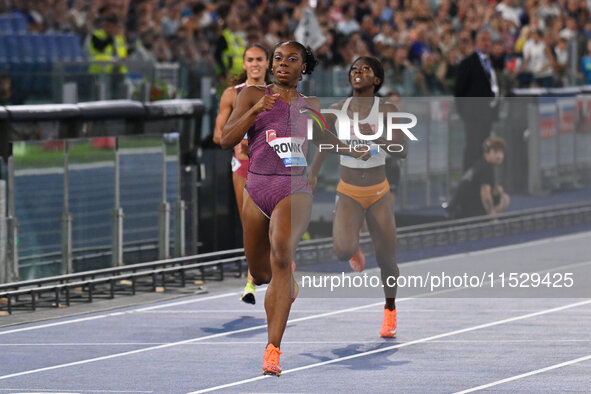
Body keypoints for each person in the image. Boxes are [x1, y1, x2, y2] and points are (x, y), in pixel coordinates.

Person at [221, 41, 368, 376]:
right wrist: (255, 111)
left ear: (304, 67)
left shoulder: (309, 104)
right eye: (278, 58)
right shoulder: (251, 94)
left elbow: (326, 138)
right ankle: (284, 282)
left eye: (291, 59)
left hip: (293, 188)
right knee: (260, 273)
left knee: (281, 253)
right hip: (256, 188)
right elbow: (227, 140)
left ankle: (272, 350)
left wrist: (355, 151)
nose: (282, 63)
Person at [308, 56, 407, 339]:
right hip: (349, 191)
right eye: (354, 69)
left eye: (366, 69)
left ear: (377, 79)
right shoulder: (338, 110)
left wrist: (377, 138)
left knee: (387, 259)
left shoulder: (386, 110)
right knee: (341, 251)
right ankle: (354, 246)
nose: (358, 72)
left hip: (378, 192)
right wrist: (313, 172)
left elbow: (401, 150)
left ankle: (390, 309)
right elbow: (325, 142)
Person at [213, 43, 270, 305]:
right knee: (251, 227)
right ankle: (255, 278)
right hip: (244, 166)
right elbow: (218, 134)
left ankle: (255, 281)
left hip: (272, 168)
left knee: (272, 226)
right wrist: (238, 142)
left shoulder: (278, 93)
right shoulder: (232, 94)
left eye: (260, 59)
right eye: (251, 59)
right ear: (244, 64)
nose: (255, 64)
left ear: (268, 63)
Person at [454, 30, 499, 172]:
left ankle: (483, 179)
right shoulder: (468, 63)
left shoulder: (491, 62)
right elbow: (459, 91)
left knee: (485, 147)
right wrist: (465, 113)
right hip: (473, 115)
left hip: (488, 113)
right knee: (472, 147)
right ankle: (469, 178)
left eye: (488, 40)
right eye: (483, 39)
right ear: (476, 42)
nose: (486, 43)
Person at [446, 137, 510, 219]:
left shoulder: (479, 165)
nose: (499, 156)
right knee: (505, 199)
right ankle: (484, 218)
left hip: (457, 210)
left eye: (501, 152)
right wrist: (493, 217)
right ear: (487, 153)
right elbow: (485, 194)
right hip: (466, 212)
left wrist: (495, 191)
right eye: (495, 152)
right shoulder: (486, 168)